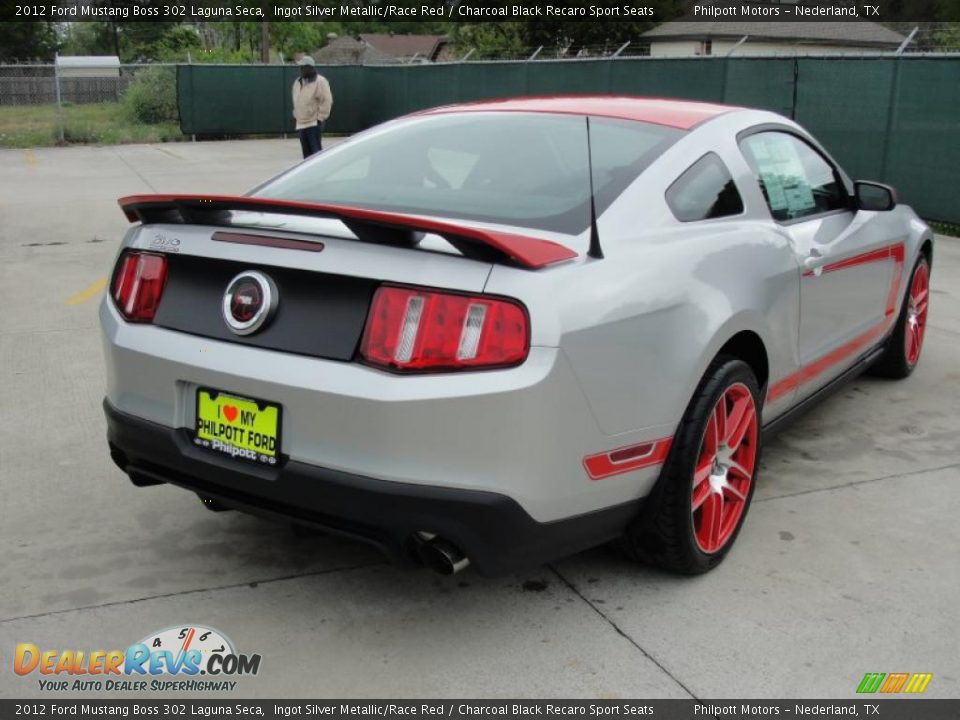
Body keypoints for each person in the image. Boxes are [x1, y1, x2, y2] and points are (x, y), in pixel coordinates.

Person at [292, 56, 333, 159]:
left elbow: (327, 100)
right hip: (301, 123)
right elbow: (296, 99)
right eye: (300, 67)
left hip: (313, 122)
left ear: (310, 68)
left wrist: (320, 118)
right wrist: (296, 114)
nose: (300, 69)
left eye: (303, 67)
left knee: (316, 153)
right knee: (306, 155)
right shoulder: (298, 82)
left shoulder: (320, 81)